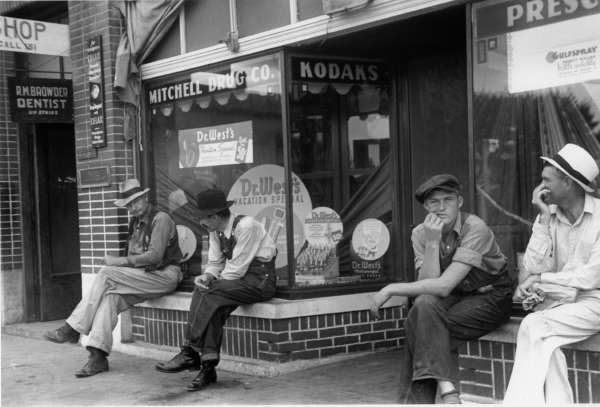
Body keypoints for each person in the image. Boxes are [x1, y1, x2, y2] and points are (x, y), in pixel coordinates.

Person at [370, 174, 514, 404]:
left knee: (418, 324)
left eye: (448, 200)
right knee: (423, 306)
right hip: (457, 296)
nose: (441, 207)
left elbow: (444, 286)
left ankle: (428, 398)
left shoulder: (475, 227)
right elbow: (429, 286)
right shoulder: (420, 233)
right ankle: (449, 393)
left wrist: (391, 288)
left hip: (492, 297)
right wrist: (432, 241)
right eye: (434, 202)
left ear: (460, 202)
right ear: (426, 206)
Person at [44, 179, 183, 377]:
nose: (131, 208)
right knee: (110, 298)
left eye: (134, 202)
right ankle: (97, 356)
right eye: (127, 205)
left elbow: (154, 256)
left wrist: (118, 262)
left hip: (165, 275)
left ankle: (73, 328)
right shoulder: (135, 223)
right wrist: (123, 264)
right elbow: (137, 260)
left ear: (145, 198)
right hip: (144, 277)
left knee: (107, 272)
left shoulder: (160, 219)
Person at [504, 143, 600, 404]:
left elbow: (591, 277)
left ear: (568, 182)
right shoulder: (548, 216)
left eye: (546, 179)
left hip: (595, 302)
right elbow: (533, 267)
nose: (541, 186)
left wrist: (542, 281)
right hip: (559, 302)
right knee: (547, 345)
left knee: (533, 325)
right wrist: (544, 218)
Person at [155, 188, 276, 392]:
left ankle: (190, 351)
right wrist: (208, 276)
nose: (201, 222)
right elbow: (215, 262)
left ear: (216, 216)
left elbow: (235, 270)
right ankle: (207, 369)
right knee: (208, 299)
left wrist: (213, 284)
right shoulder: (215, 231)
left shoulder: (246, 226)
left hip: (260, 282)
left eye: (203, 218)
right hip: (237, 281)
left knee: (209, 293)